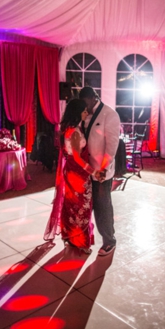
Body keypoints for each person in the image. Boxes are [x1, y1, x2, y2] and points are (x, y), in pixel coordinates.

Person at [43, 98, 103, 254]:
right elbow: (77, 157)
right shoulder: (75, 132)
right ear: (78, 113)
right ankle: (81, 241)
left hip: (70, 171)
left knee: (71, 205)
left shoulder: (69, 128)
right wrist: (93, 171)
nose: (86, 113)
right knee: (82, 207)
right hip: (78, 173)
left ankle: (69, 236)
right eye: (84, 111)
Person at [79, 86, 120, 256]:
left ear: (94, 98)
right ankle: (84, 239)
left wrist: (104, 168)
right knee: (88, 205)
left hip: (101, 170)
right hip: (86, 170)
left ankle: (109, 241)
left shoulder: (109, 114)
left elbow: (111, 146)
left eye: (86, 103)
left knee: (103, 205)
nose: (85, 106)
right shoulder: (84, 114)